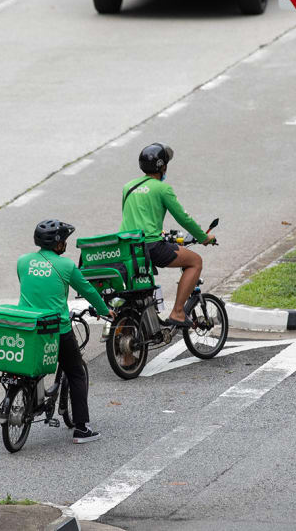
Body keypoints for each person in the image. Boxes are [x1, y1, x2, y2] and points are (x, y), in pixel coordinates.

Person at [17, 219, 114, 444]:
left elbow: (30, 287)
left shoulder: (23, 262)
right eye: (65, 240)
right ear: (58, 243)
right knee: (77, 372)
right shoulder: (67, 266)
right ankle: (82, 428)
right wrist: (104, 311)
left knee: (31, 367)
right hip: (55, 329)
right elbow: (88, 290)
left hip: (28, 326)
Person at [120, 143, 215, 327]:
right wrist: (204, 237)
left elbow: (133, 217)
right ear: (162, 167)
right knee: (195, 261)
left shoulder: (128, 187)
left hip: (128, 248)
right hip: (151, 246)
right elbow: (183, 218)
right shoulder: (162, 189)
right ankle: (178, 312)